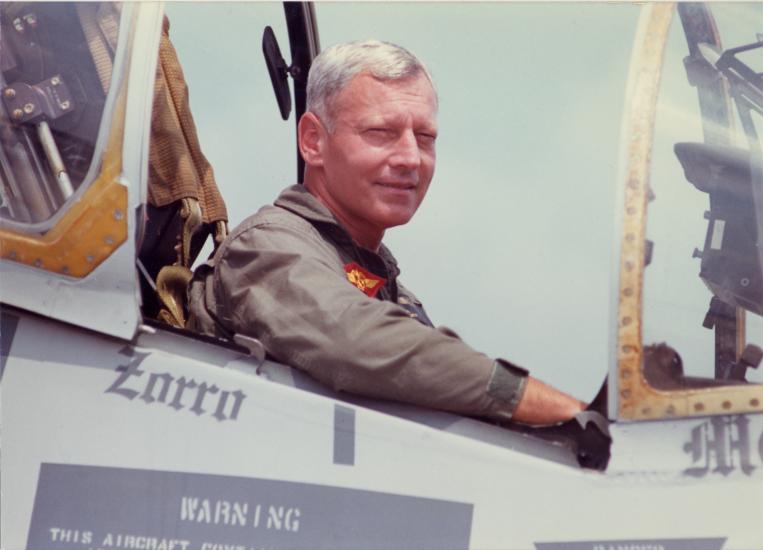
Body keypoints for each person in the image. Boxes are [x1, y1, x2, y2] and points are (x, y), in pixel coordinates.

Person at [188, 40, 585, 425]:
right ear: (313, 142)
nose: (411, 158)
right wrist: (542, 403)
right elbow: (357, 342)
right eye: (381, 133)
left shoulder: (374, 277)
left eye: (425, 139)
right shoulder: (267, 249)